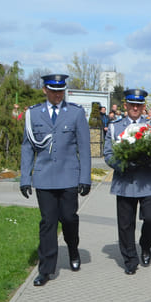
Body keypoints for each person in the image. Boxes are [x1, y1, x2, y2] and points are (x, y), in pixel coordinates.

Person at [20, 74, 92, 287]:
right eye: (53, 91)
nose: (58, 95)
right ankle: (46, 269)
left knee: (69, 219)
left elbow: (84, 148)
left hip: (69, 176)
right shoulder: (33, 114)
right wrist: (25, 177)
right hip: (44, 177)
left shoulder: (76, 113)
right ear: (45, 90)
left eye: (61, 91)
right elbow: (27, 147)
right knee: (48, 223)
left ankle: (72, 249)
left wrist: (85, 177)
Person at [103, 89, 151, 275]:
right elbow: (108, 154)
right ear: (126, 106)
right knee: (126, 224)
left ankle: (145, 245)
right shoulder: (115, 127)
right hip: (125, 181)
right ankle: (130, 259)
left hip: (147, 181)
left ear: (143, 107)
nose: (135, 108)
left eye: (139, 104)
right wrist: (124, 164)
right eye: (131, 104)